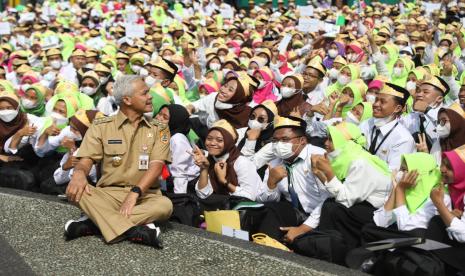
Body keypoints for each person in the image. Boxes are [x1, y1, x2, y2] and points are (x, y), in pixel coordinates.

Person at [64, 75, 173, 248]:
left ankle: (95, 223)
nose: (150, 97)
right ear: (127, 100)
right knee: (78, 190)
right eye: (145, 93)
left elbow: (157, 166)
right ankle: (131, 230)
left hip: (145, 195)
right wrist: (79, 173)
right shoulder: (101, 125)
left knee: (165, 205)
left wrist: (135, 192)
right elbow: (87, 159)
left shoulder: (160, 128)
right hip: (107, 194)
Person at [312, 122, 392, 250]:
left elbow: (345, 199)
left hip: (375, 213)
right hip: (361, 206)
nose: (326, 143)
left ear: (345, 142)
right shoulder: (345, 159)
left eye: (331, 139)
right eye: (327, 138)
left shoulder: (359, 162)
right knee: (330, 205)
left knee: (332, 208)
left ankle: (336, 250)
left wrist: (328, 172)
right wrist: (319, 173)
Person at [256, 116, 330, 242]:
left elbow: (327, 200)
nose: (279, 145)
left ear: (302, 140)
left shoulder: (318, 157)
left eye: (285, 139)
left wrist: (301, 229)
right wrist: (271, 184)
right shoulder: (275, 162)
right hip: (295, 212)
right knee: (268, 209)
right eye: (275, 140)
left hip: (321, 216)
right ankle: (266, 249)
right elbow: (264, 199)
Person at [192, 119, 261, 201]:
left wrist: (224, 181)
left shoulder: (241, 162)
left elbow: (250, 197)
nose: (212, 143)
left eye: (219, 140)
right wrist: (204, 168)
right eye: (209, 138)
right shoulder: (210, 160)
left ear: (229, 142)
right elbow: (203, 195)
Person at [359, 82, 416, 170]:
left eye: (382, 102)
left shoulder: (403, 139)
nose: (375, 104)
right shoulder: (367, 123)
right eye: (376, 100)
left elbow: (392, 173)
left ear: (397, 108)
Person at [155, 104, 200, 194]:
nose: (158, 118)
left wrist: (179, 199)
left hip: (187, 186)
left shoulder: (177, 139)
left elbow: (180, 173)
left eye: (165, 117)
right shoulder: (162, 134)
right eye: (159, 114)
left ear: (174, 121)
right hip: (169, 182)